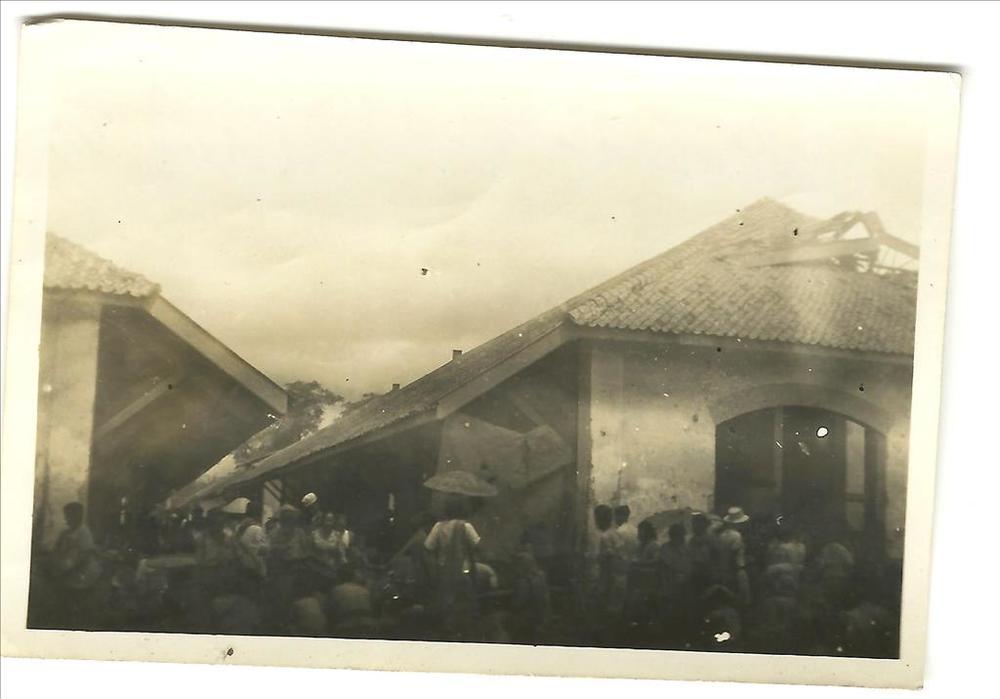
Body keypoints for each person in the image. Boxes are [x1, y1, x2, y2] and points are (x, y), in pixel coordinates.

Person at [423, 496, 482, 640]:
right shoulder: (466, 526)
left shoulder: (438, 526)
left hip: (444, 570)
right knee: (465, 602)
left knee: (447, 603)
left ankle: (447, 631)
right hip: (463, 570)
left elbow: (428, 547)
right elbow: (477, 546)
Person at [50, 502, 103, 629]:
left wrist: (68, 570)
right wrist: (57, 560)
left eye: (70, 516)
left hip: (82, 571)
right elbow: (56, 550)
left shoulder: (84, 532)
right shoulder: (65, 533)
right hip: (68, 567)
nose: (67, 519)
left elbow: (84, 557)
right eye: (67, 516)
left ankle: (78, 622)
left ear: (79, 516)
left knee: (78, 598)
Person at [659, 522, 694, 643]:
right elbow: (667, 566)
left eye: (681, 535)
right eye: (677, 535)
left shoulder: (687, 549)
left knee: (683, 614)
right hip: (670, 586)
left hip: (684, 588)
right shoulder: (666, 548)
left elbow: (689, 567)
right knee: (671, 615)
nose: (680, 538)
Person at [714, 506, 752, 606]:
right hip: (736, 572)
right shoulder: (736, 536)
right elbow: (735, 556)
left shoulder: (721, 535)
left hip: (723, 572)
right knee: (741, 601)